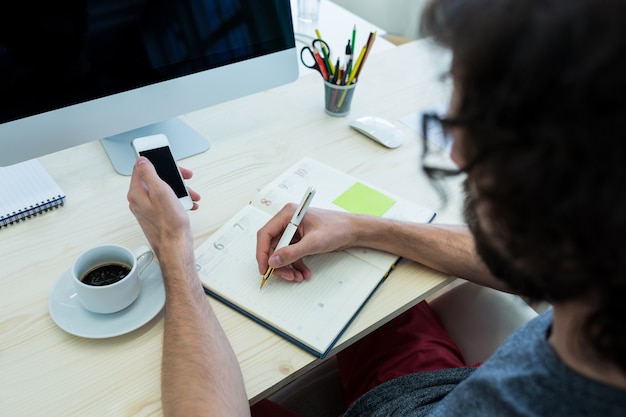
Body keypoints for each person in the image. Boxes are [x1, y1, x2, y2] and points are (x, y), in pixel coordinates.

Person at [127, 0, 626, 415]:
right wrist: (359, 228)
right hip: (437, 390)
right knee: (377, 305)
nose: (455, 152)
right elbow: (542, 258)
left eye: (476, 119)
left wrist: (176, 255)